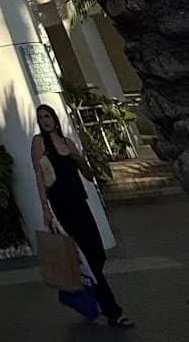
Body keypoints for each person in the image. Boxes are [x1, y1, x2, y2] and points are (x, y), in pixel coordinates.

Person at [33, 103, 134, 328]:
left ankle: (84, 294)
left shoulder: (68, 144)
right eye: (40, 117)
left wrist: (79, 159)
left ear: (55, 118)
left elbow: (88, 176)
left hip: (80, 202)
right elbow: (39, 175)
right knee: (89, 259)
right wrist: (45, 208)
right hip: (62, 205)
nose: (45, 120)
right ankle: (113, 312)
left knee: (97, 254)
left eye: (47, 116)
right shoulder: (39, 143)